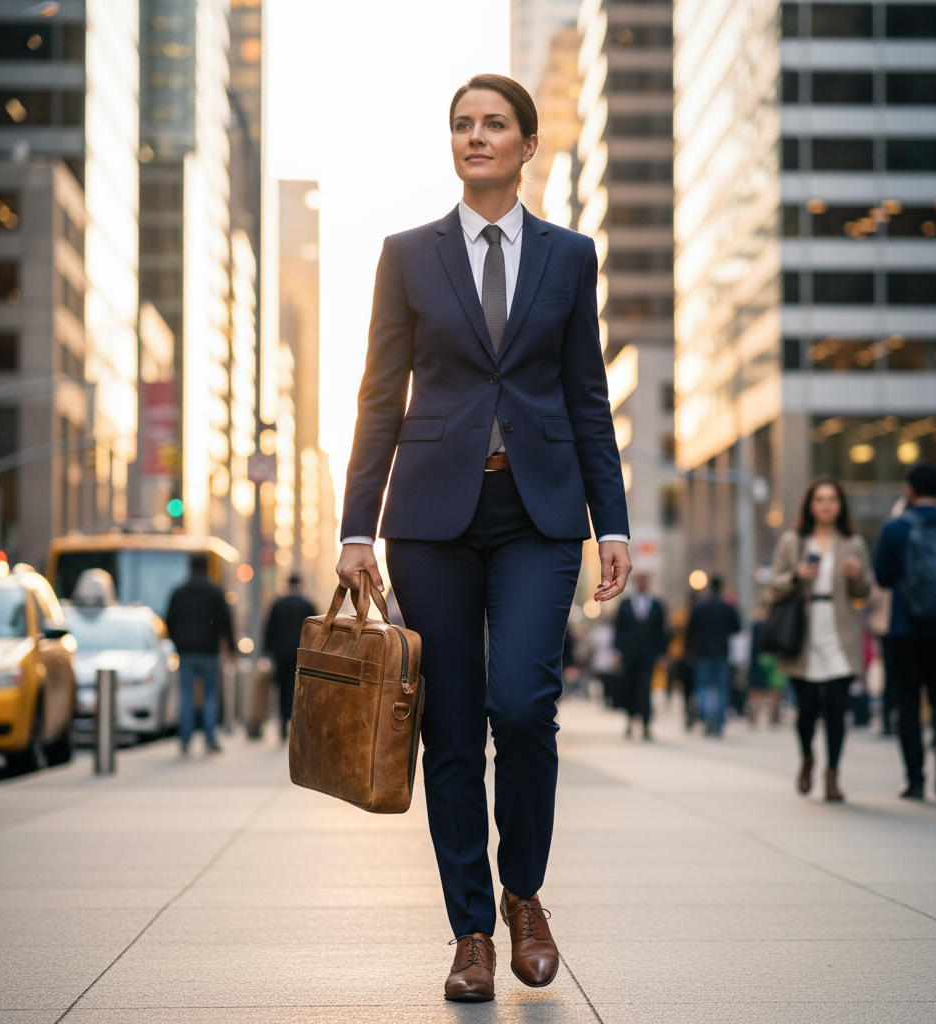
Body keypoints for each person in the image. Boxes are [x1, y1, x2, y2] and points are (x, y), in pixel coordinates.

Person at [336, 74, 631, 1002]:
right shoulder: (407, 254)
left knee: (522, 707)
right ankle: (470, 931)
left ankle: (524, 896)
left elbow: (586, 393)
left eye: (493, 124)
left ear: (526, 145)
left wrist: (609, 520)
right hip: (431, 519)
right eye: (461, 124)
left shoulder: (569, 255)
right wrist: (356, 527)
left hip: (540, 515)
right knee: (453, 727)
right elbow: (380, 394)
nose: (475, 136)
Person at [874, 463, 936, 799]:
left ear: (909, 490)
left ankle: (915, 779)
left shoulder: (895, 529)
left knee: (907, 702)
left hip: (905, 628)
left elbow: (883, 577)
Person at [770, 477, 873, 801]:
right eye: (820, 499)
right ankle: (807, 757)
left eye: (832, 499)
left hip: (841, 628)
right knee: (807, 708)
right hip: (805, 631)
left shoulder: (853, 542)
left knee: (836, 707)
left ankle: (832, 775)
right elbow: (774, 585)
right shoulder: (793, 541)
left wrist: (857, 577)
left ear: (840, 505)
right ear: (810, 505)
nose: (827, 505)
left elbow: (865, 592)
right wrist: (797, 575)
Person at [165, 554, 235, 755]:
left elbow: (169, 620)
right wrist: (230, 649)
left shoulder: (179, 592)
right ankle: (210, 739)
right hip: (209, 651)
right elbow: (226, 622)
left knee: (186, 693)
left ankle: (185, 740)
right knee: (211, 694)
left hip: (186, 651)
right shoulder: (215, 593)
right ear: (207, 568)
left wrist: (177, 642)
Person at [613, 573, 668, 739]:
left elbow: (662, 631)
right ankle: (629, 720)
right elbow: (619, 630)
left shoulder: (657, 605)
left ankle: (645, 724)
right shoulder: (625, 604)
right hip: (629, 655)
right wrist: (617, 653)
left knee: (645, 689)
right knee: (629, 688)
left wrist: (662, 653)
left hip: (649, 655)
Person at [263, 574, 318, 740]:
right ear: (300, 584)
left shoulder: (278, 604)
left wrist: (267, 651)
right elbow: (315, 630)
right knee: (298, 688)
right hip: (301, 653)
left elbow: (269, 629)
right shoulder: (307, 605)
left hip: (281, 654)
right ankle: (295, 722)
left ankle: (282, 721)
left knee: (281, 687)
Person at [686, 577, 741, 736]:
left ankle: (706, 716)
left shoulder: (700, 607)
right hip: (722, 652)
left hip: (703, 652)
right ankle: (718, 721)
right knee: (722, 688)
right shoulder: (727, 607)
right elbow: (736, 628)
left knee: (702, 686)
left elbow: (690, 630)